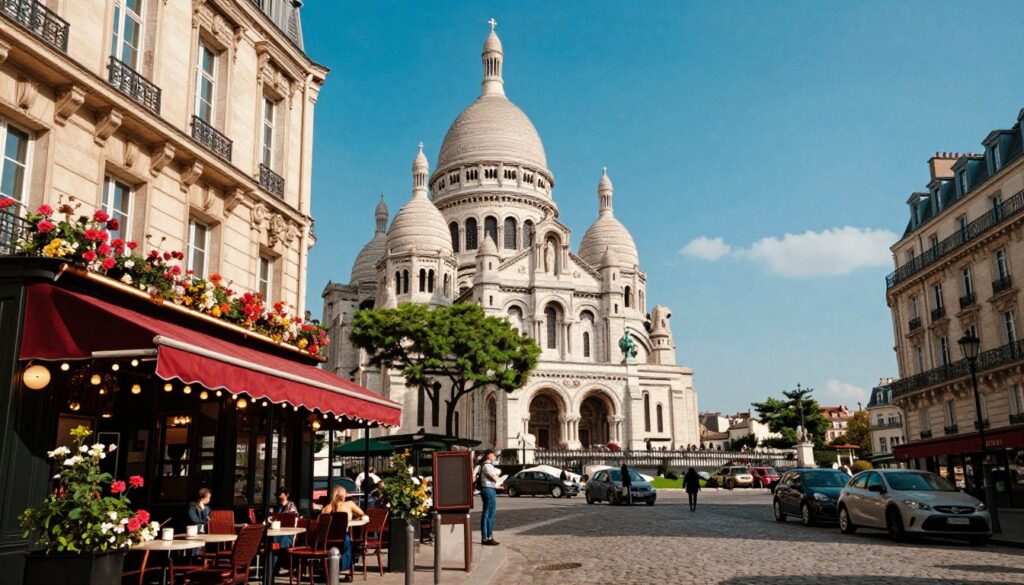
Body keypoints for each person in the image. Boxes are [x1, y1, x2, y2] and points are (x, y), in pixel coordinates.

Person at [322, 486, 366, 579]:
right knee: (348, 544)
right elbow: (362, 513)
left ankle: (329, 569)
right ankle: (345, 569)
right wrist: (354, 516)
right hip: (342, 538)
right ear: (343, 495)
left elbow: (320, 521)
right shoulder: (349, 504)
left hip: (327, 539)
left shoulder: (327, 508)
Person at [270, 487, 298, 575]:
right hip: (277, 532)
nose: (279, 496)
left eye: (281, 494)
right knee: (273, 540)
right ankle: (274, 567)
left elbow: (294, 519)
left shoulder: (291, 505)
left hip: (288, 532)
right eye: (278, 494)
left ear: (287, 495)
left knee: (281, 541)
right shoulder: (277, 507)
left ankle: (277, 566)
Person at [478, 450, 500, 546]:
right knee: (489, 513)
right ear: (489, 455)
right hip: (488, 489)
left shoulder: (483, 465)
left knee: (486, 513)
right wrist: (498, 477)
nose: (495, 456)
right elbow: (494, 478)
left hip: (487, 489)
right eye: (493, 455)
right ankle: (488, 537)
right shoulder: (487, 466)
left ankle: (485, 537)